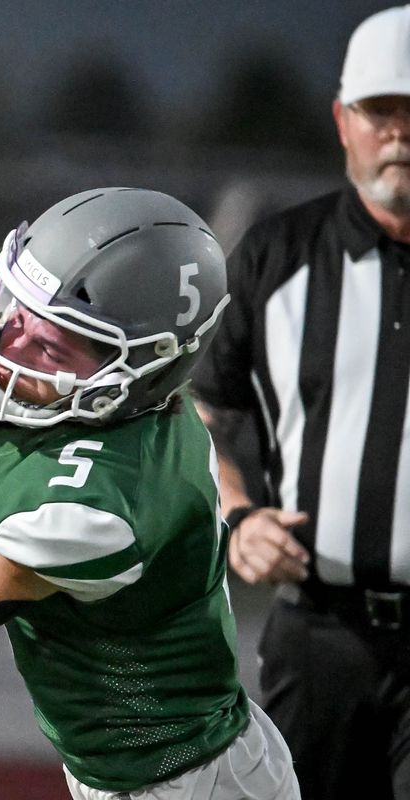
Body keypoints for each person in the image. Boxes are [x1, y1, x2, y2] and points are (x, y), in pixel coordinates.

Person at [0, 188, 299, 798]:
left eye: (49, 344)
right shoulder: (41, 344)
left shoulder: (100, 502)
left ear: (135, 372)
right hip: (147, 767)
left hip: (179, 781)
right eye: (15, 309)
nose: (7, 344)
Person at [191, 6, 410, 798]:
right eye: (382, 110)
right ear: (343, 119)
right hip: (320, 631)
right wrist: (239, 516)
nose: (400, 133)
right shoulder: (279, 257)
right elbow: (198, 417)